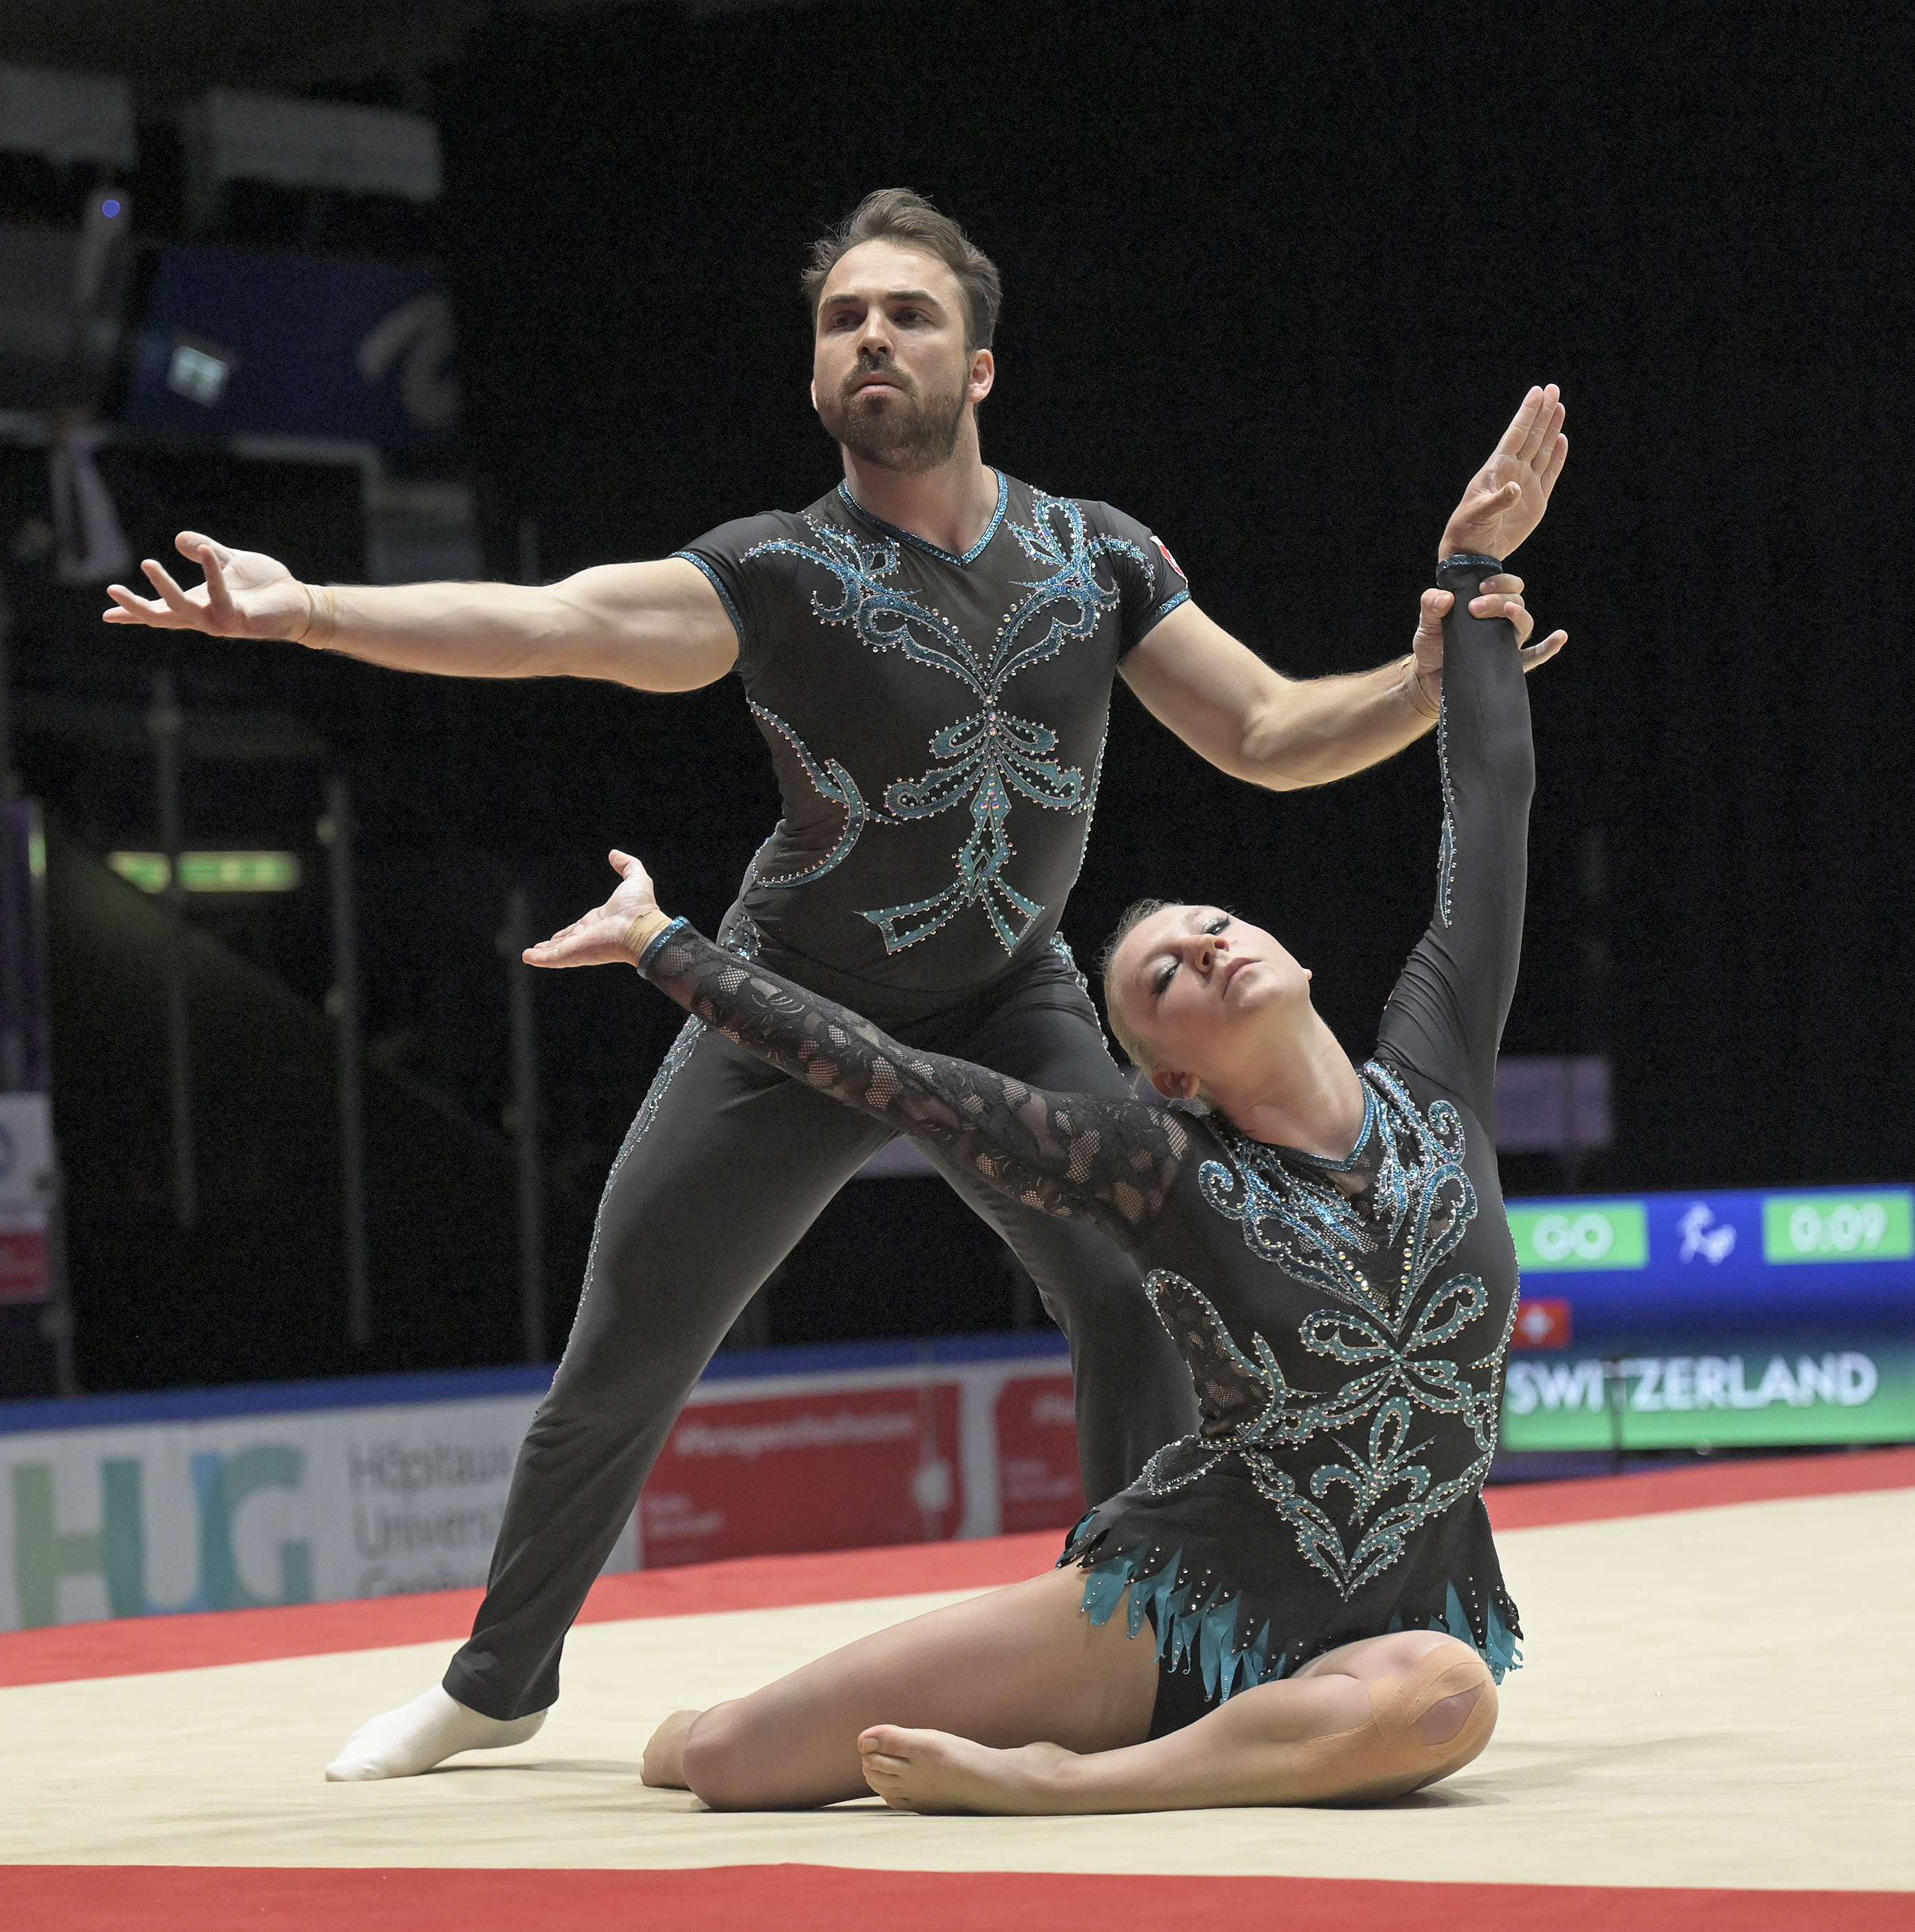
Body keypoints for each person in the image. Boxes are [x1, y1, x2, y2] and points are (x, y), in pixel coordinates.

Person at [104, 186, 1568, 1781]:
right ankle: (497, 1679)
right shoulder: (780, 569)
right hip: (791, 998)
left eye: (908, 314)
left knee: (1132, 1288)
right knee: (632, 1333)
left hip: (1012, 994)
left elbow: (1271, 733)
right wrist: (312, 611)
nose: (872, 337)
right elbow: (558, 622)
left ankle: (1145, 1639)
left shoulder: (1097, 555)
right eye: (841, 319)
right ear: (815, 376)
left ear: (979, 366)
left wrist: (1420, 685)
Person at [519, 529, 1548, 1812]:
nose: (1204, 947)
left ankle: (1070, 1784)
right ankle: (723, 1727)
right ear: (1168, 1074)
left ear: (1292, 954)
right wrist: (667, 947)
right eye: (1163, 976)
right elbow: (895, 1076)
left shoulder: (1437, 1078)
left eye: (1214, 925)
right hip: (1174, 1607)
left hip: (1384, 1628)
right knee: (731, 1762)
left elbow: (1491, 816)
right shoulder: (1156, 1167)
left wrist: (1473, 572)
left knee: (1451, 1696)